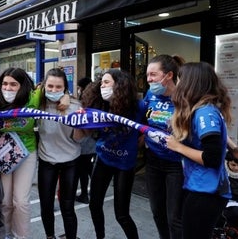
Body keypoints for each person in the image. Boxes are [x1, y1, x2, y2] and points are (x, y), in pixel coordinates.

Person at [166, 62, 232, 239]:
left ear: (190, 83)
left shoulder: (204, 113)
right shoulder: (203, 110)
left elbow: (212, 157)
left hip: (207, 192)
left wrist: (178, 146)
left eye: (180, 79)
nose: (177, 84)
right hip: (200, 187)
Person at [80, 69, 143, 239]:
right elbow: (85, 130)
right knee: (94, 205)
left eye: (106, 83)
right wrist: (81, 118)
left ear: (119, 85)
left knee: (121, 214)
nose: (102, 86)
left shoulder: (138, 107)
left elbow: (147, 129)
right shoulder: (100, 104)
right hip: (103, 159)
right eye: (101, 83)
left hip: (125, 165)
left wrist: (140, 143)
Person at [0, 67, 41, 239]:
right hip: (4, 153)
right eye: (5, 83)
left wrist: (65, 97)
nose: (8, 88)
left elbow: (56, 90)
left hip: (27, 152)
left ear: (23, 85)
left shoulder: (34, 98)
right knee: (5, 202)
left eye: (14, 84)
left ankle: (20, 236)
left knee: (20, 202)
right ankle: (5, 234)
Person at [143, 54, 185, 239]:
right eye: (147, 75)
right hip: (152, 160)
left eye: (153, 75)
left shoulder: (185, 97)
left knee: (174, 217)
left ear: (168, 75)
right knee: (157, 211)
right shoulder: (151, 94)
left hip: (176, 164)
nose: (149, 79)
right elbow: (140, 115)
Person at [37, 68, 81, 239]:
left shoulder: (75, 105)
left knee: (67, 206)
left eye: (58, 87)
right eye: (50, 86)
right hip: (46, 160)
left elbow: (79, 139)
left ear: (65, 88)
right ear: (43, 86)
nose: (54, 91)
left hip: (70, 160)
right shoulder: (37, 104)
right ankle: (50, 236)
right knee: (46, 205)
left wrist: (76, 120)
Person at [75, 76, 95, 204]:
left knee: (83, 169)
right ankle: (93, 191)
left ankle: (84, 194)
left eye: (79, 88)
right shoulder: (95, 100)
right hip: (93, 141)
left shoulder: (84, 101)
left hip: (85, 142)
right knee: (89, 167)